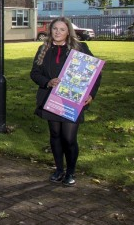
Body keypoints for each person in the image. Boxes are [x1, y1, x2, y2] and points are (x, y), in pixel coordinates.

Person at [30, 17, 101, 187]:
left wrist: (91, 94)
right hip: (50, 99)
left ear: (68, 31)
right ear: (50, 30)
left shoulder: (80, 48)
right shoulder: (43, 49)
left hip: (72, 100)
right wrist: (48, 82)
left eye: (62, 29)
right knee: (55, 135)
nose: (58, 32)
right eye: (55, 29)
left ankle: (71, 171)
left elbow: (95, 73)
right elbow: (34, 73)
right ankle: (59, 169)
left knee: (68, 138)